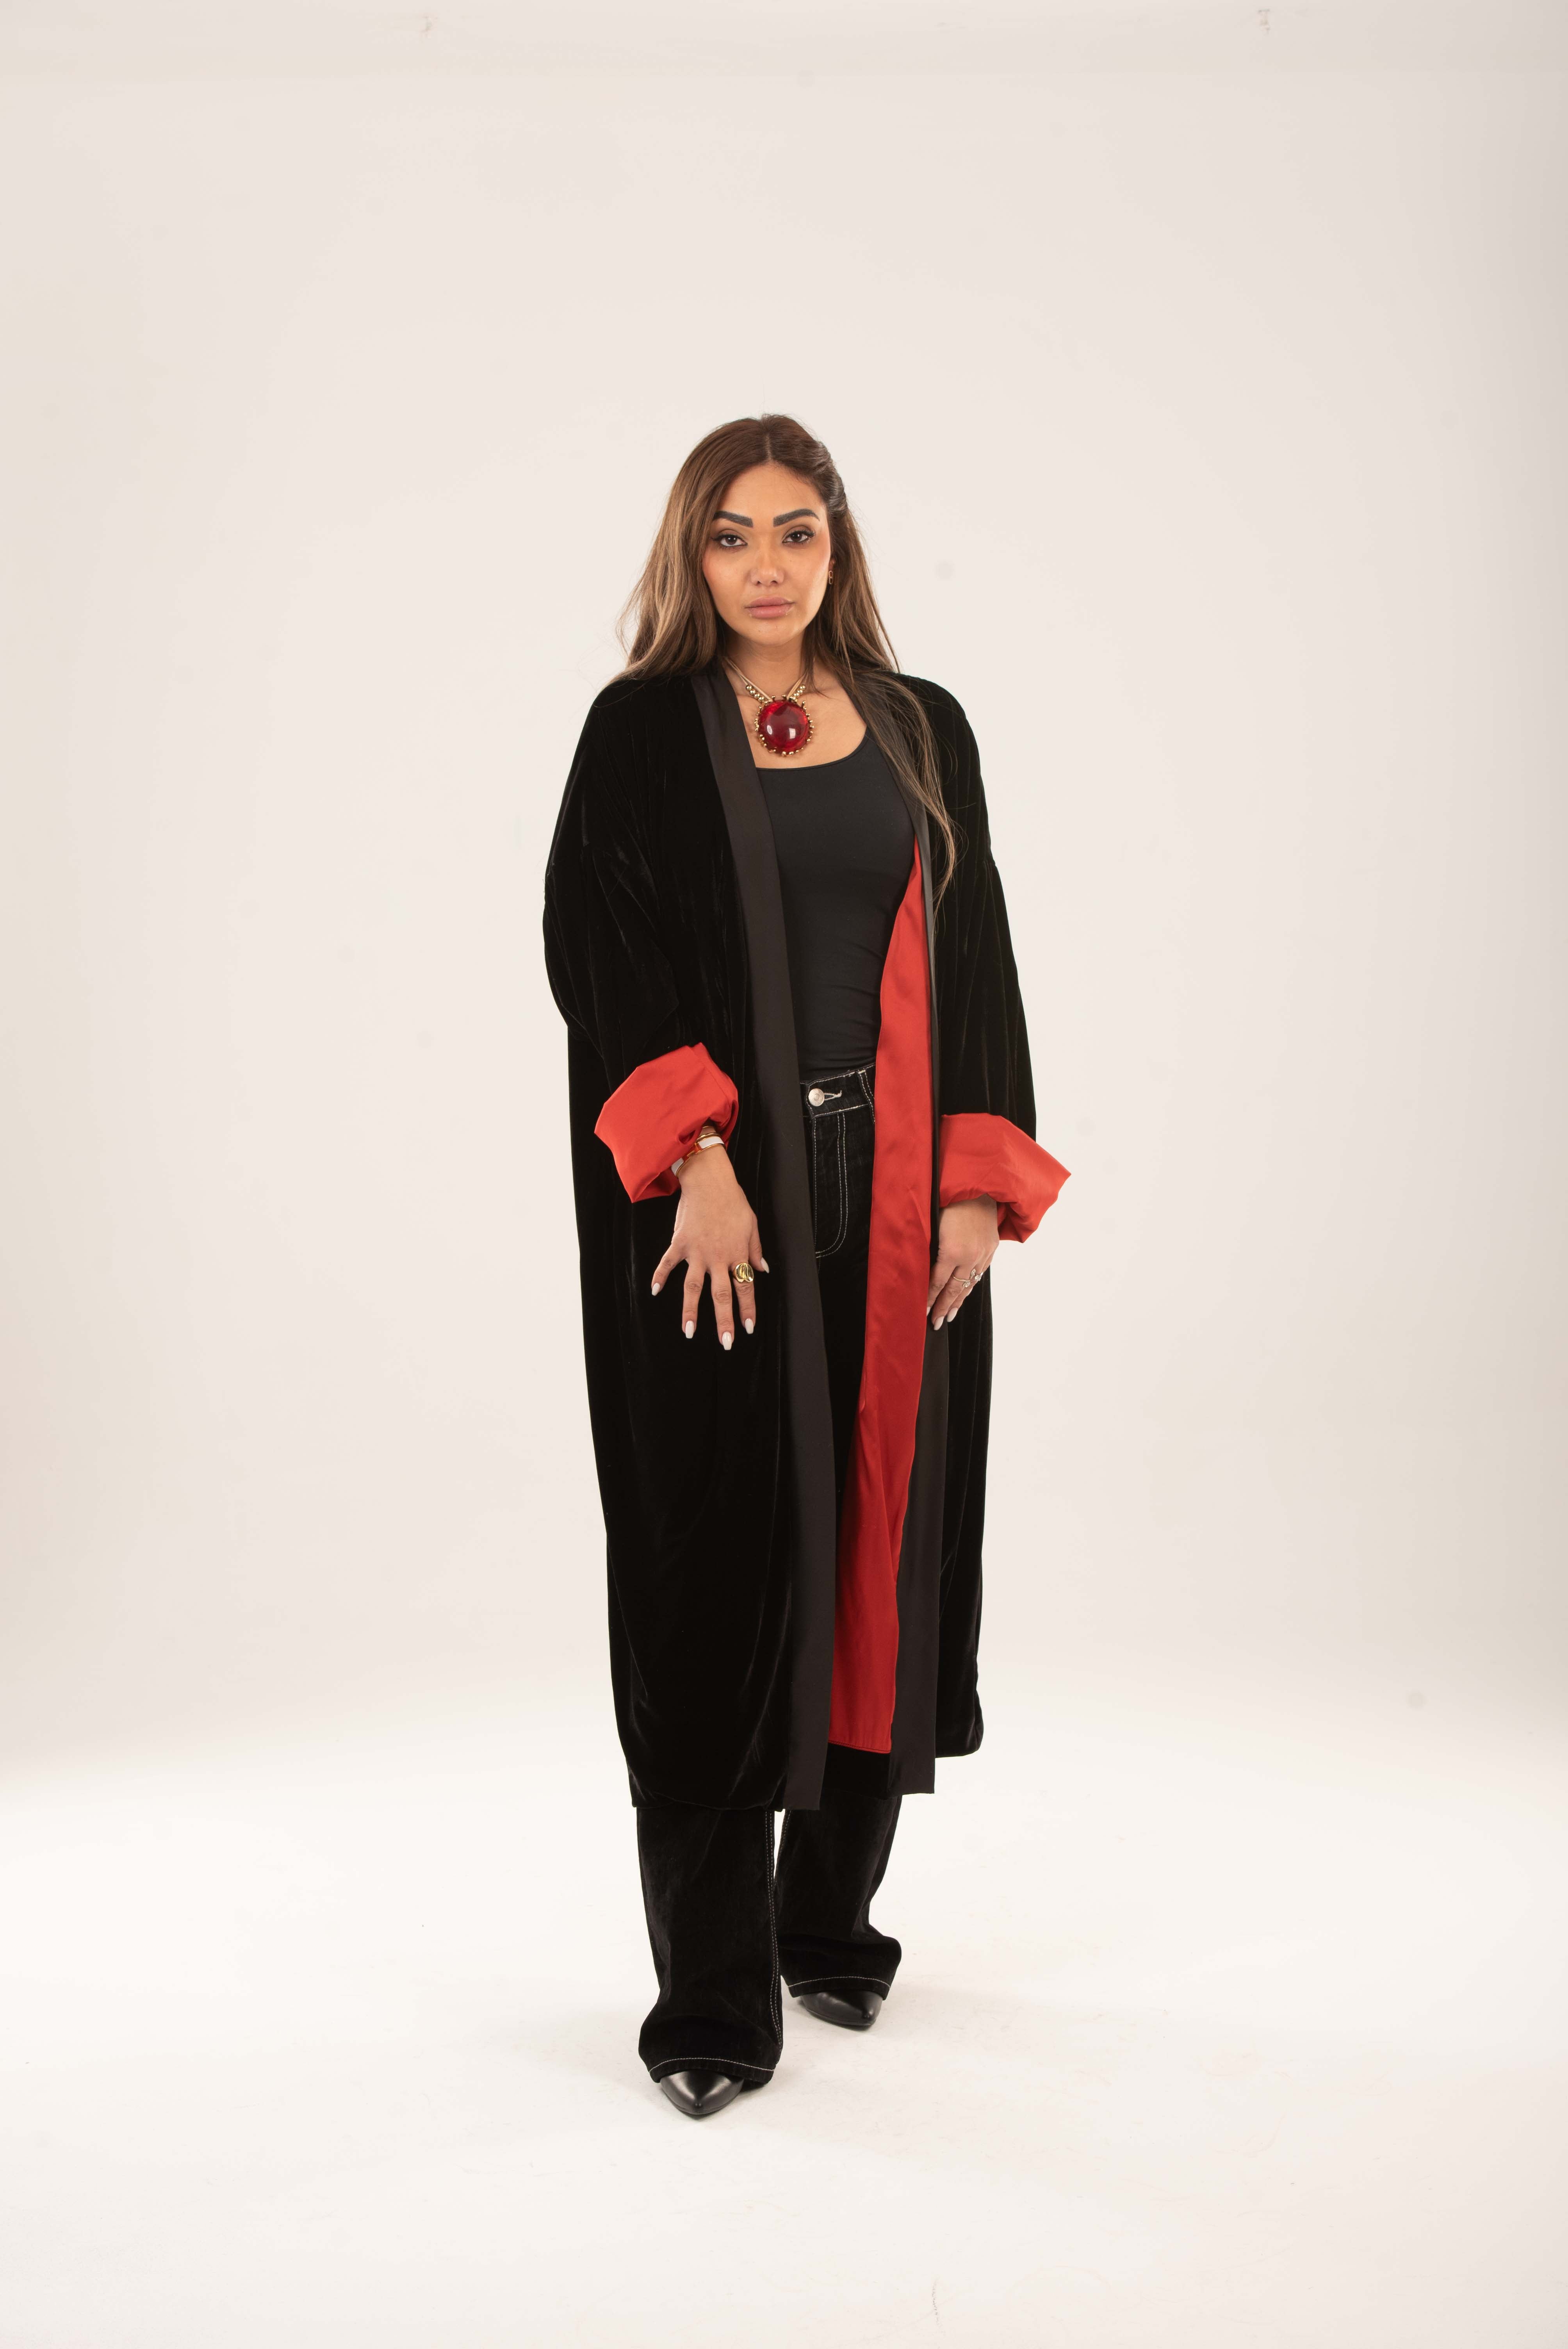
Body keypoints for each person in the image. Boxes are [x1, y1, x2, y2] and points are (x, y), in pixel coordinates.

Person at [542, 413, 1069, 2119]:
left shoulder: (923, 728)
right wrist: (692, 1161)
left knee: (880, 1542)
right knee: (709, 1563)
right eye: (729, 535)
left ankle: (826, 1918)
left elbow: (976, 954)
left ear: (837, 545)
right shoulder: (640, 733)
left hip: (901, 1192)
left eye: (794, 531)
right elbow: (600, 949)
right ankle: (708, 1996)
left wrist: (979, 1183)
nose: (764, 565)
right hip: (720, 1204)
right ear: (687, 555)